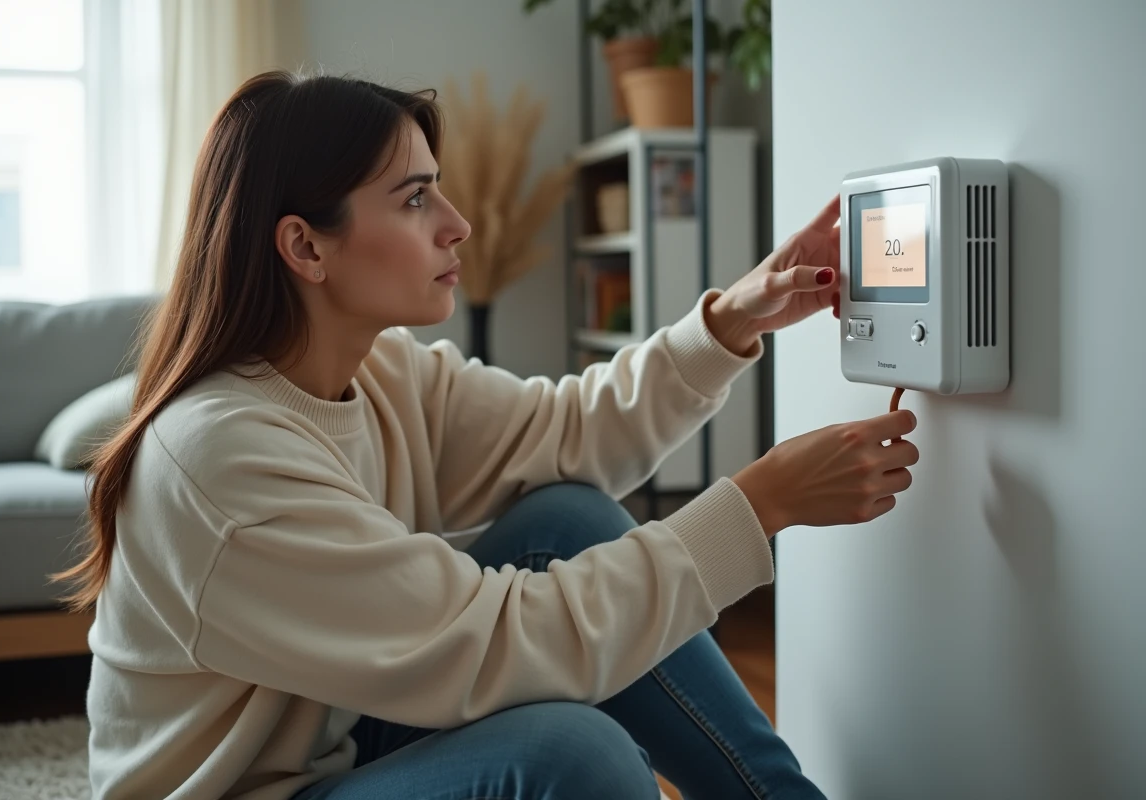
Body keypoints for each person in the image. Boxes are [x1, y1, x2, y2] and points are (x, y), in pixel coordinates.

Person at [56, 71, 918, 800]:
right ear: (306, 248)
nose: (456, 222)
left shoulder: (382, 371)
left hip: (338, 738)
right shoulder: (222, 458)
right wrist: (757, 508)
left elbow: (573, 433)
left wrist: (734, 318)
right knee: (573, 756)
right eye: (415, 198)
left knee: (566, 518)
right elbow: (495, 644)